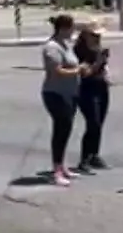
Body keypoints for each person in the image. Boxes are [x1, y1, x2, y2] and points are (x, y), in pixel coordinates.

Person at [42, 14, 89, 186]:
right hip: (56, 93)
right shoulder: (52, 47)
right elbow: (56, 71)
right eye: (71, 28)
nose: (73, 31)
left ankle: (62, 166)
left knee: (66, 129)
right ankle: (56, 170)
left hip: (69, 93)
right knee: (60, 130)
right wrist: (78, 70)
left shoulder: (66, 45)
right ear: (63, 28)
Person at [73, 20, 111, 173]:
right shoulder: (79, 51)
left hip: (101, 86)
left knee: (99, 122)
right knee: (93, 122)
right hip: (86, 88)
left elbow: (102, 68)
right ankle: (84, 159)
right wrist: (99, 61)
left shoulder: (97, 49)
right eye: (94, 36)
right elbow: (85, 73)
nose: (97, 39)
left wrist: (105, 69)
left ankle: (95, 154)